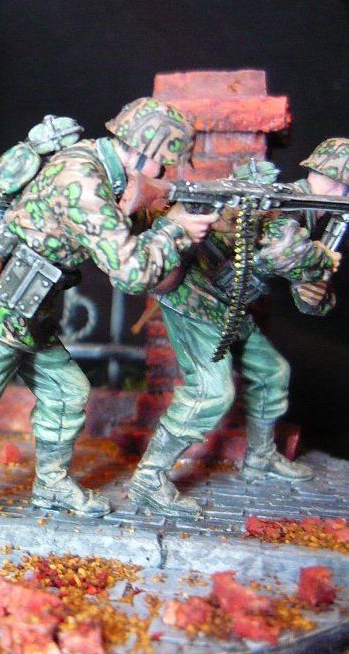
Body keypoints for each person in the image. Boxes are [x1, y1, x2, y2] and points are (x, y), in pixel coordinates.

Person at [0, 97, 219, 566]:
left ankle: (50, 485)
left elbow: (121, 228)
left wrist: (156, 213)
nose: (164, 172)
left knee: (68, 393)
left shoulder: (103, 170)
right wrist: (173, 230)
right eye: (163, 162)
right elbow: (131, 273)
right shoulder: (84, 181)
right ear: (141, 150)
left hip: (33, 311)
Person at [128, 143, 345, 518]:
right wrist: (319, 259)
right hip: (194, 297)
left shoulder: (309, 213)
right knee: (211, 391)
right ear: (327, 178)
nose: (341, 192)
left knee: (272, 372)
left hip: (228, 303)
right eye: (340, 184)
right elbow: (283, 253)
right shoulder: (286, 204)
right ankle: (149, 478)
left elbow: (307, 298)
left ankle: (260, 457)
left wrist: (316, 284)